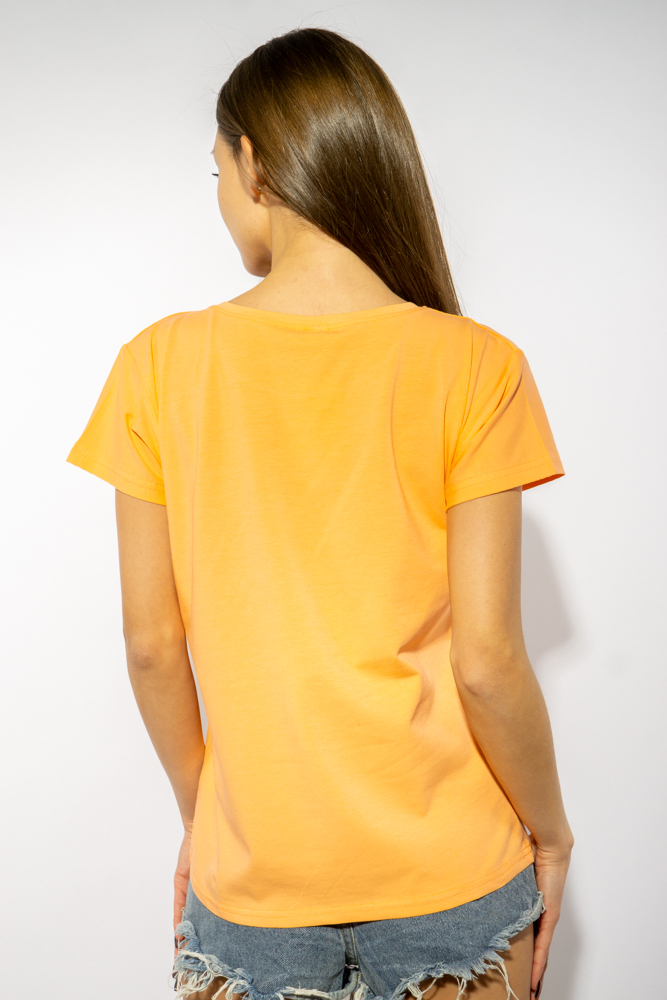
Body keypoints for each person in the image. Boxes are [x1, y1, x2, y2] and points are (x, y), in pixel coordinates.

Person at [66, 27, 573, 1000]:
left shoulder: (157, 364)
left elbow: (151, 645)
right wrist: (550, 833)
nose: (220, 194)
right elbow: (488, 662)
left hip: (254, 883)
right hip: (455, 876)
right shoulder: (477, 363)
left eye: (216, 169)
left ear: (255, 162)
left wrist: (205, 818)